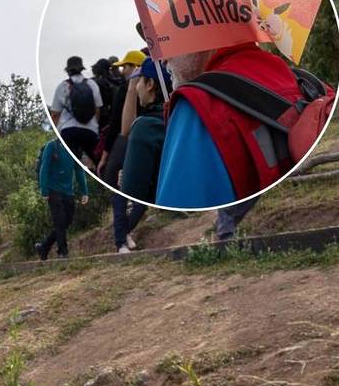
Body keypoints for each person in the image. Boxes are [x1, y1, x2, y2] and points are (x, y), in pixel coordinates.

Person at [156, 42, 310, 207]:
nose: (162, 59)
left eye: (167, 42)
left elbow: (177, 208)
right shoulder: (302, 81)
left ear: (201, 32)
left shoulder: (196, 107)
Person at [99, 50, 148, 253]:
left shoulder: (124, 91)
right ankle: (122, 238)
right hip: (142, 145)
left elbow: (114, 125)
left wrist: (104, 155)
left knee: (120, 194)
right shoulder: (152, 87)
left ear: (135, 68)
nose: (121, 70)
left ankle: (121, 239)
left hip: (123, 144)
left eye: (125, 66)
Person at [121, 58, 170, 206]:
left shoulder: (145, 127)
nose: (136, 88)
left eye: (139, 81)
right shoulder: (179, 118)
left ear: (150, 84)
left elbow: (132, 192)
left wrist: (126, 178)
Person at [35, 138, 89, 260]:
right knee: (59, 222)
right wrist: (44, 190)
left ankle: (44, 247)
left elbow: (79, 169)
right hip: (53, 190)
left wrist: (84, 192)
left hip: (68, 191)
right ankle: (63, 252)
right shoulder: (52, 146)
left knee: (66, 222)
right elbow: (44, 167)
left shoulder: (73, 150)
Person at [49, 55, 102, 163]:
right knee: (97, 161)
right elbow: (97, 109)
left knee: (67, 162)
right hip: (90, 131)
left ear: (68, 71)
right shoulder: (92, 84)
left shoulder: (63, 86)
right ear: (81, 70)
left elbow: (55, 114)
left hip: (68, 130)